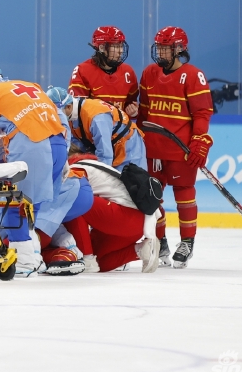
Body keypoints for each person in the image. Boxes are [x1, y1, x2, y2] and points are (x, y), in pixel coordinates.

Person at [0, 61, 89, 276]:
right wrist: (61, 154)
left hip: (32, 146)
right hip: (58, 146)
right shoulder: (31, 88)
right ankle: (34, 254)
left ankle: (25, 261)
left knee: (14, 202)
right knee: (33, 205)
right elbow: (61, 121)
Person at [138, 26, 214, 268]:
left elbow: (202, 113)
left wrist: (200, 141)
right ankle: (160, 241)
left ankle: (187, 243)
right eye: (158, 47)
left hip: (180, 149)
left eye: (165, 48)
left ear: (179, 49)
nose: (160, 52)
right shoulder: (149, 73)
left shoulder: (193, 75)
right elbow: (143, 111)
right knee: (153, 198)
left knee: (184, 194)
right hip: (153, 149)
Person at [62, 91, 147, 171]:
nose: (58, 115)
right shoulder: (71, 117)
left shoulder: (97, 118)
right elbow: (77, 146)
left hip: (129, 147)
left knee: (133, 181)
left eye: (59, 112)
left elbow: (105, 155)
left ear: (69, 106)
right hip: (111, 148)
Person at [68, 26, 139, 117]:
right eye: (116, 46)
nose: (120, 51)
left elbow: (130, 103)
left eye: (121, 46)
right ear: (102, 48)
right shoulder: (82, 70)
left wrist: (132, 110)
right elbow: (75, 109)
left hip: (119, 129)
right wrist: (104, 108)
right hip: (93, 129)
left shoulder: (128, 72)